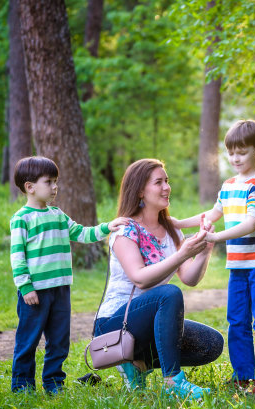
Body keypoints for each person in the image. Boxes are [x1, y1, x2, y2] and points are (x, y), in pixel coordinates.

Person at [94, 158, 223, 400]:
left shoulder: (172, 231)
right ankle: (173, 381)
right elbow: (140, 279)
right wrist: (183, 253)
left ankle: (138, 364)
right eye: (158, 182)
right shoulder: (125, 230)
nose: (166, 187)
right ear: (140, 190)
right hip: (114, 323)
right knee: (168, 294)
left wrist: (204, 251)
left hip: (151, 323)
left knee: (211, 343)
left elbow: (190, 278)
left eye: (167, 181)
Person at [174, 119, 255, 391]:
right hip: (238, 264)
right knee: (237, 319)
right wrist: (176, 223)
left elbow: (250, 223)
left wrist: (215, 237)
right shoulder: (229, 185)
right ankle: (243, 374)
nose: (235, 158)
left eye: (241, 152)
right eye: (231, 153)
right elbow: (211, 214)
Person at [10, 156, 128, 394]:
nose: (55, 187)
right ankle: (22, 386)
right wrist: (26, 287)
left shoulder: (58, 215)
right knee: (28, 341)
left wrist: (108, 227)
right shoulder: (21, 219)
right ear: (29, 187)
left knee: (59, 341)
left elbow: (83, 234)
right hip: (35, 292)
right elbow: (17, 257)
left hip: (61, 290)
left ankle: (54, 383)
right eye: (49, 182)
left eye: (56, 181)